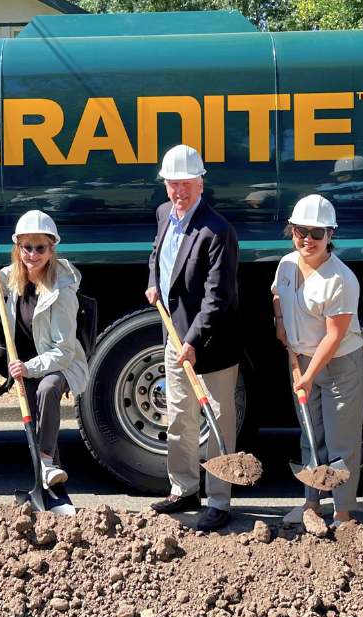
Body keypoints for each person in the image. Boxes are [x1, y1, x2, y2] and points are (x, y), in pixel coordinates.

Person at [145, 144, 243, 532]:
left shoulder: (218, 231)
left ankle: (219, 501)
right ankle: (183, 488)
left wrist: (194, 341)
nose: (179, 191)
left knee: (218, 422)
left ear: (201, 184)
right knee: (180, 417)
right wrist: (153, 283)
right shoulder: (164, 214)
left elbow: (218, 297)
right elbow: (157, 256)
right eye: (173, 184)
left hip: (212, 342)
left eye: (186, 184)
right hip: (175, 335)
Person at [0, 211, 89, 486]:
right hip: (22, 362)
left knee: (48, 390)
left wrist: (29, 368)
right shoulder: (15, 276)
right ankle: (50, 477)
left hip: (59, 365)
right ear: (18, 249)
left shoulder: (62, 290)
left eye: (41, 248)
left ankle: (46, 465)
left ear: (52, 250)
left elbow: (63, 351)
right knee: (36, 420)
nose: (33, 254)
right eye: (27, 247)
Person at [272, 194, 363, 528]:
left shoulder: (339, 280)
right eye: (300, 231)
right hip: (300, 360)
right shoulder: (286, 264)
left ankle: (343, 513)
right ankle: (312, 506)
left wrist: (309, 375)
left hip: (338, 364)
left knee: (341, 439)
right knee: (310, 434)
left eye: (316, 232)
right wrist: (280, 323)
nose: (307, 239)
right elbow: (277, 295)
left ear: (330, 235)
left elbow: (334, 335)